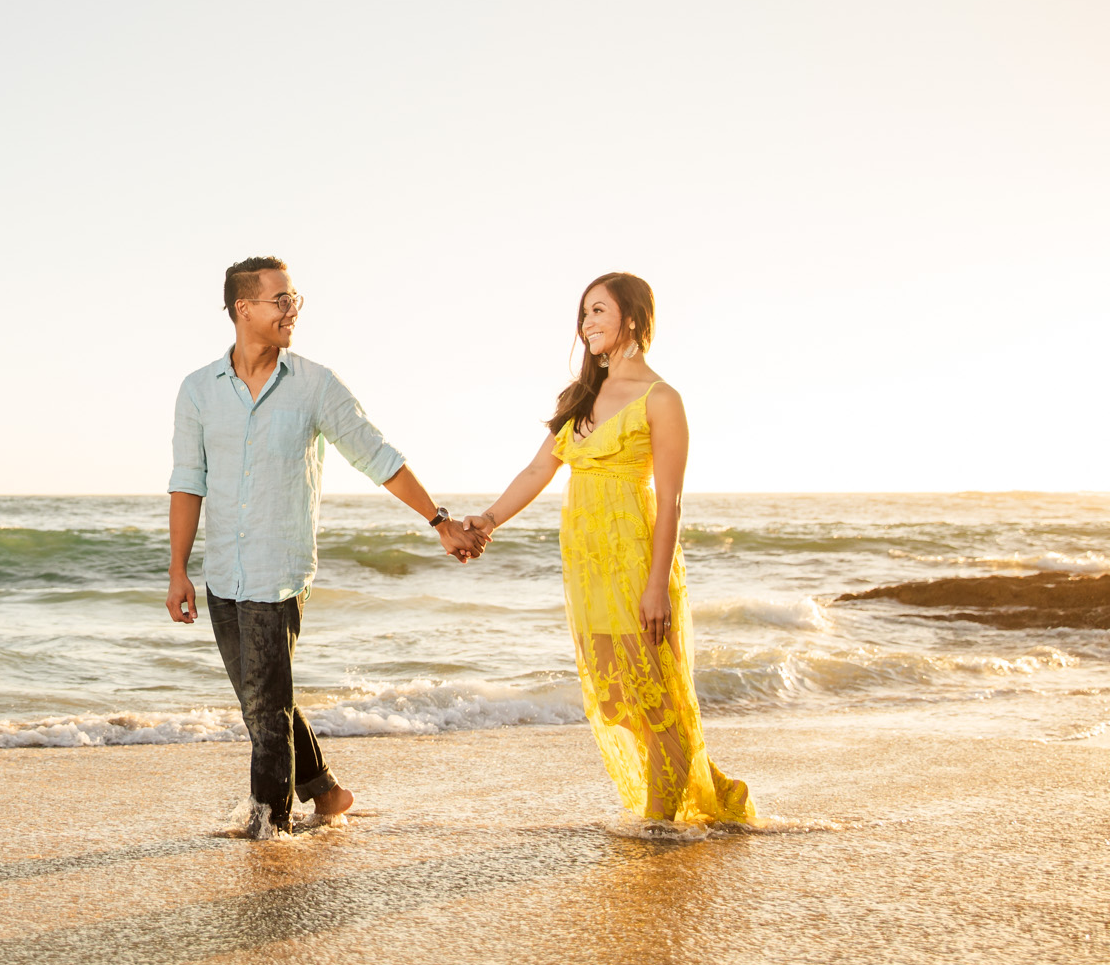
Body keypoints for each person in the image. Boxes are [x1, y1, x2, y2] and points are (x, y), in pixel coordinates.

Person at [167, 255, 482, 839]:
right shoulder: (198, 391)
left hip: (278, 572)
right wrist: (178, 570)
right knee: (264, 701)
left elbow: (377, 455)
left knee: (264, 713)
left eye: (294, 299)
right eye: (280, 300)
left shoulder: (314, 385)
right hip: (222, 577)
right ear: (244, 309)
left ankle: (269, 831)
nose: (292, 310)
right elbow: (189, 481)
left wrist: (438, 520)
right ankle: (327, 792)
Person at [464, 272, 756, 826]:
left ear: (633, 318)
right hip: (587, 567)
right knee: (617, 699)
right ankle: (713, 787)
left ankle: (659, 822)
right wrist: (488, 521)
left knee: (655, 698)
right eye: (584, 314)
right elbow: (536, 470)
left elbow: (670, 502)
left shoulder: (661, 398)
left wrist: (655, 587)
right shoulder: (580, 398)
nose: (587, 324)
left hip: (636, 560)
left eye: (598, 311)